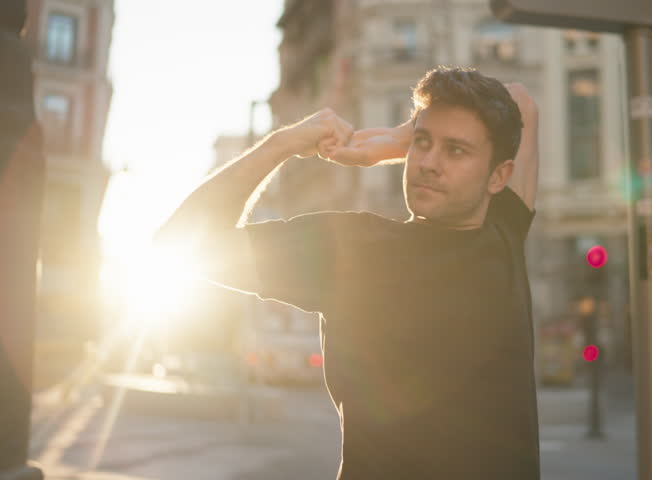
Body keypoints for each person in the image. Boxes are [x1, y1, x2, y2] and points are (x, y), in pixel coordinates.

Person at [155, 66, 540, 479]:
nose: (428, 163)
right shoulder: (354, 249)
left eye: (456, 151)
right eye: (422, 144)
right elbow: (177, 241)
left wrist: (393, 141)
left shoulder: (504, 232)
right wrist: (282, 145)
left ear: (498, 176)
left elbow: (521, 100)